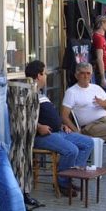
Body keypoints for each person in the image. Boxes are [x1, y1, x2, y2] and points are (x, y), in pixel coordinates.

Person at [25, 60, 94, 197]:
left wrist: (61, 125)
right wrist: (38, 127)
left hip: (59, 131)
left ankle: (69, 176)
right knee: (71, 150)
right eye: (45, 73)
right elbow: (24, 117)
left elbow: (49, 115)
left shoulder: (40, 93)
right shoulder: (27, 93)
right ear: (38, 76)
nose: (46, 76)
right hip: (43, 136)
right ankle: (63, 183)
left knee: (88, 143)